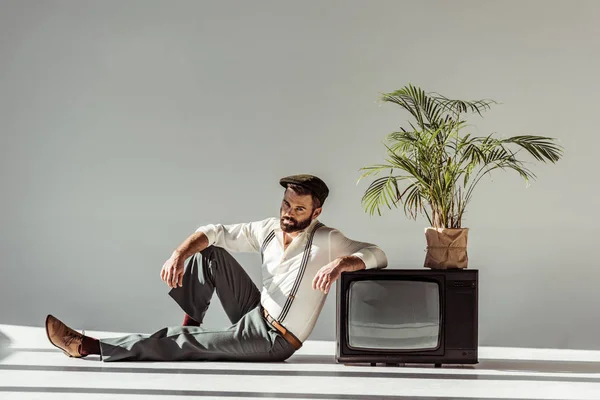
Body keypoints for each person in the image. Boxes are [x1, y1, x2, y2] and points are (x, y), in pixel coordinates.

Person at [45, 174, 388, 362]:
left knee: (181, 341)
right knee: (211, 254)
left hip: (274, 339)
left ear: (315, 213)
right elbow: (215, 232)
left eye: (298, 209)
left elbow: (377, 253)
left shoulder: (328, 239)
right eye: (286, 203)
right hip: (255, 311)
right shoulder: (269, 228)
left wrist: (346, 262)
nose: (288, 212)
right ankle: (193, 329)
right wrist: (178, 254)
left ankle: (88, 347)